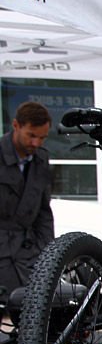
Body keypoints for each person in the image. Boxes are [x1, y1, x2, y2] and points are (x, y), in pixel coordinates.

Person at [0, 101, 54, 296]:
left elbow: (44, 214)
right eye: (31, 135)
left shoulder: (41, 160)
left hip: (28, 255)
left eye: (42, 138)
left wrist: (49, 256)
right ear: (16, 126)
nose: (36, 143)